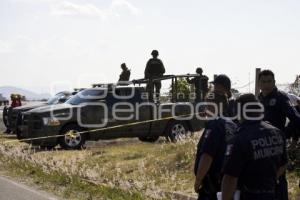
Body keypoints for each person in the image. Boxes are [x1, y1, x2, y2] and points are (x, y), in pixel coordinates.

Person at [221, 93, 287, 200]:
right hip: (272, 193)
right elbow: (283, 164)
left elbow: (230, 177)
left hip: (249, 194)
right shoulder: (277, 132)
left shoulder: (239, 138)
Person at [258, 70, 300, 200]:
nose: (266, 85)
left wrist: (286, 136)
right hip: (259, 145)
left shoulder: (281, 98)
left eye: (269, 81)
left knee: (278, 179)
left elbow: (296, 119)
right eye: (263, 82)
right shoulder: (257, 99)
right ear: (259, 83)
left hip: (276, 146)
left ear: (274, 82)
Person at [194, 91, 237, 200]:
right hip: (227, 181)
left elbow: (207, 156)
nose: (205, 109)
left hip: (212, 184)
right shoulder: (232, 124)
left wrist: (199, 179)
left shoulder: (214, 126)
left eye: (208, 105)